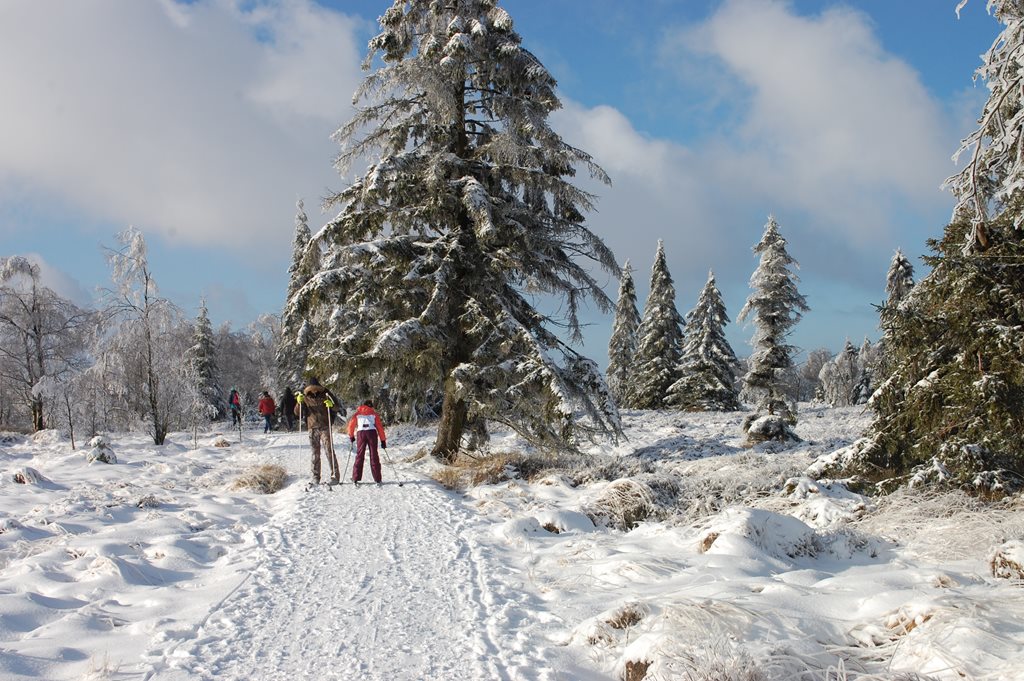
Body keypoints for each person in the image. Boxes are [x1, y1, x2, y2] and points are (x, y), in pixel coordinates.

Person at [295, 378, 340, 485]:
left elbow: (337, 407)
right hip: (312, 427)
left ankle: (335, 476)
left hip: (325, 426)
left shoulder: (326, 394)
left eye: (316, 389)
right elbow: (298, 413)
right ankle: (315, 477)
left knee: (329, 451)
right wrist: (299, 403)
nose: (314, 391)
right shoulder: (305, 398)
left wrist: (331, 405)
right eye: (312, 389)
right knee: (315, 453)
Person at [347, 400, 387, 485]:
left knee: (360, 455)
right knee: (374, 455)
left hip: (361, 433)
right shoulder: (374, 414)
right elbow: (380, 428)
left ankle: (355, 478)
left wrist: (351, 436)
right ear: (371, 406)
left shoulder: (357, 414)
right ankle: (377, 479)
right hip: (372, 433)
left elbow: (351, 425)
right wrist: (383, 440)